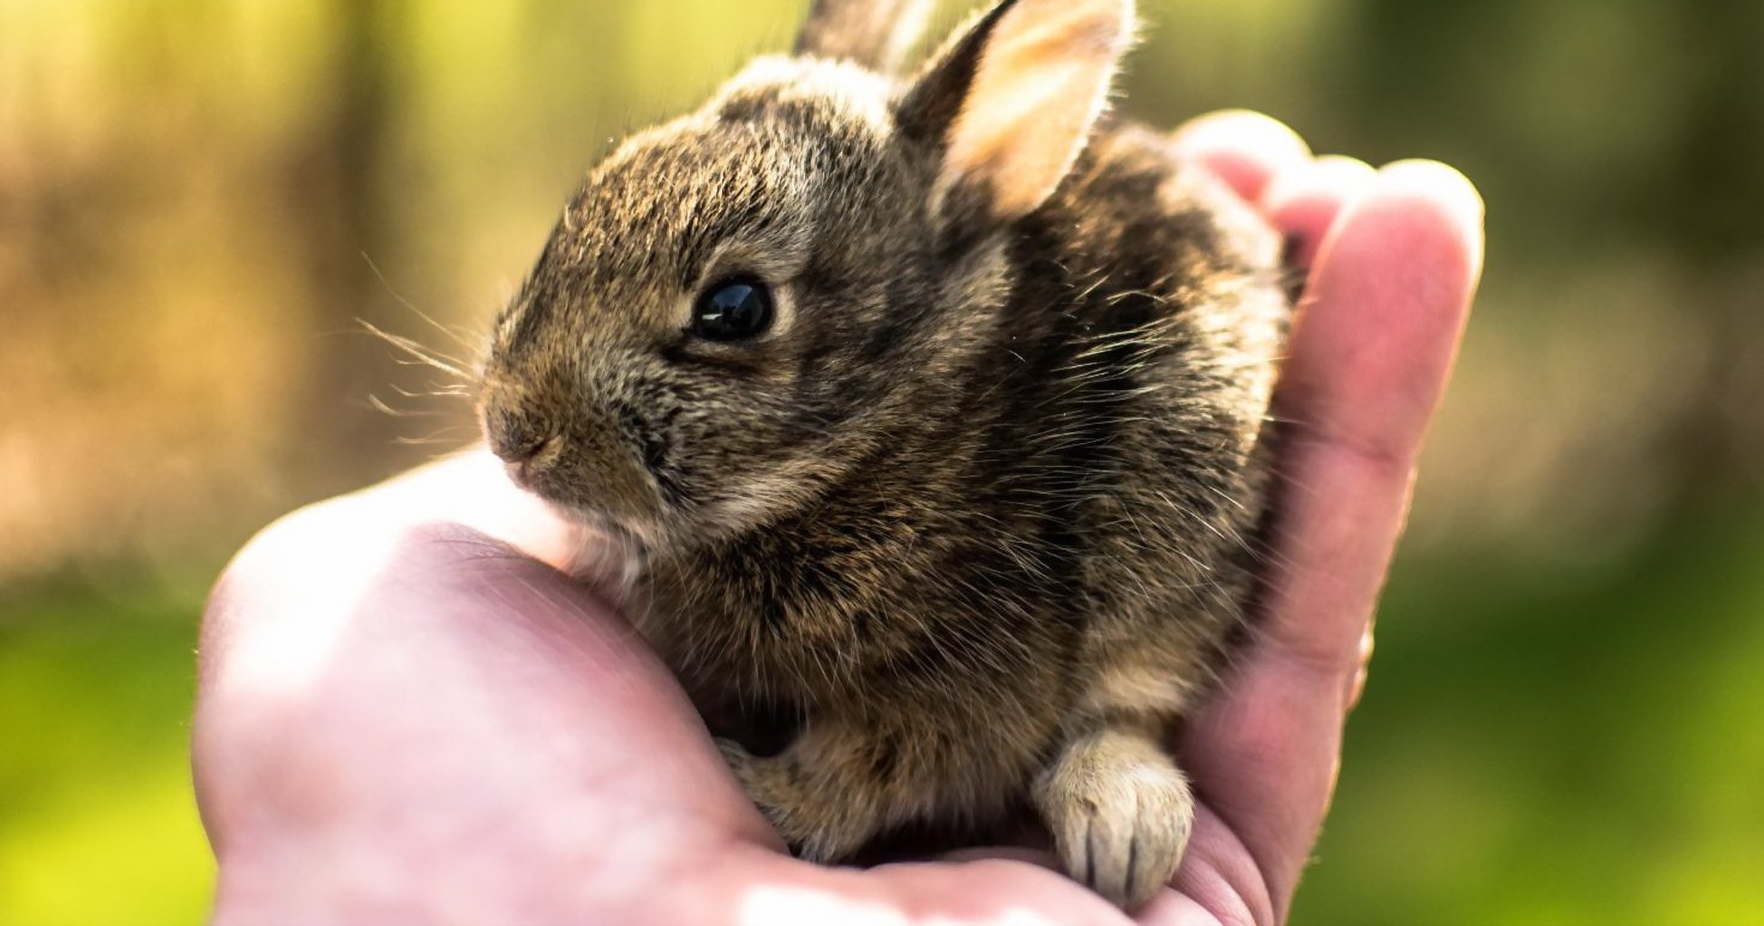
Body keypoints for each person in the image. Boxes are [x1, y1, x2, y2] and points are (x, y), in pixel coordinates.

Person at [191, 111, 1483, 926]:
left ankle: (1121, 724)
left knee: (1184, 424)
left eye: (730, 319)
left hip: (1110, 552)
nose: (518, 425)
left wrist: (821, 784)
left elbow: (963, 696)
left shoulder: (909, 513)